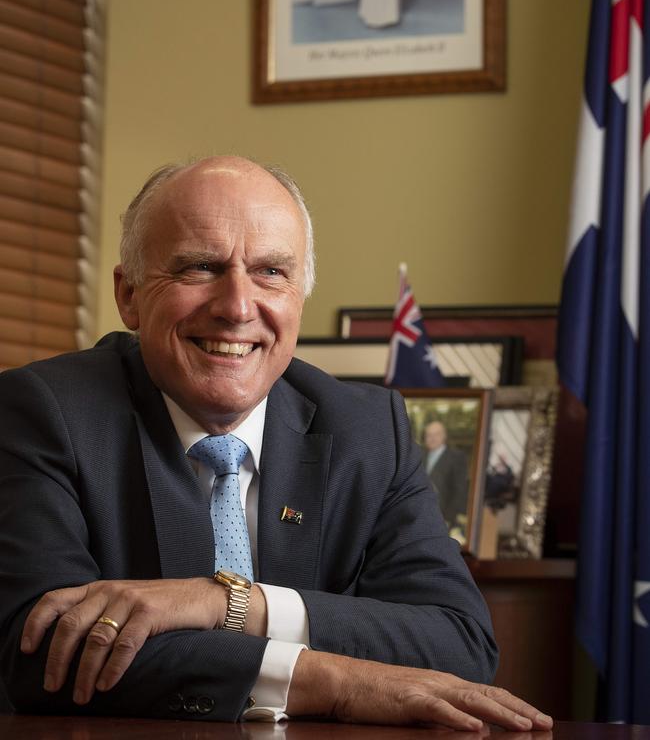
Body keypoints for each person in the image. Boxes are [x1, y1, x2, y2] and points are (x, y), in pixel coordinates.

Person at [0, 156, 552, 731]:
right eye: (200, 267)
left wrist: (229, 603)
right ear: (130, 295)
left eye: (270, 273)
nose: (238, 306)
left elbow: (459, 645)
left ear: (299, 297)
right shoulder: (41, 412)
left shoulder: (367, 428)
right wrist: (332, 679)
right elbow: (40, 651)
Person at [423, 420, 469, 528]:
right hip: (420, 517)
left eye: (436, 434)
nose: (432, 438)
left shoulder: (456, 457)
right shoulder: (419, 456)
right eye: (429, 435)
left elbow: (460, 490)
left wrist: (448, 518)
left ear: (444, 436)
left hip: (443, 518)